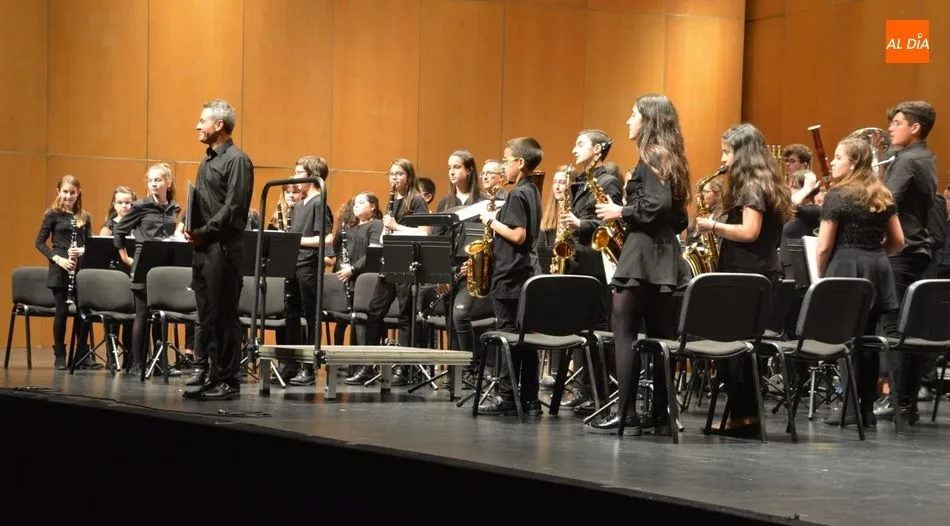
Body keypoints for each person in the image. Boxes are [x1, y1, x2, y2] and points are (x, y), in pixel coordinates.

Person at [587, 94, 692, 434]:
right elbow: (678, 219)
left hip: (640, 257)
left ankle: (626, 411)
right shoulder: (673, 158)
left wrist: (622, 211)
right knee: (661, 338)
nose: (627, 121)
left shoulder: (650, 156)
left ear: (648, 119)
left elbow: (656, 206)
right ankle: (662, 413)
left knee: (624, 335)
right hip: (665, 258)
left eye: (632, 114)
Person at [695, 123, 793, 438]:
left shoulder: (751, 185)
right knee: (743, 348)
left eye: (727, 151)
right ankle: (746, 417)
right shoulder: (767, 182)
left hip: (745, 276)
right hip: (757, 274)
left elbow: (749, 232)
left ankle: (742, 418)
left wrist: (712, 226)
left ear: (744, 153)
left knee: (731, 349)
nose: (723, 158)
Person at [814, 137, 903, 427]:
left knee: (845, 340)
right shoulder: (882, 194)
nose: (833, 162)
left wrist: (821, 274)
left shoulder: (837, 195)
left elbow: (824, 246)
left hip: (845, 267)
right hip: (877, 269)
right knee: (867, 341)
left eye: (839, 157)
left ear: (852, 162)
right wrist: (874, 255)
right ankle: (865, 411)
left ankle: (848, 410)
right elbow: (898, 241)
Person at [182, 99, 254, 401]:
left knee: (224, 316)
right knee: (208, 316)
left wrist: (204, 232)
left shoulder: (237, 160)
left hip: (222, 249)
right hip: (203, 248)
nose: (197, 126)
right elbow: (205, 203)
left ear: (219, 125)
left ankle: (229, 380)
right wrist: (190, 225)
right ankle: (214, 373)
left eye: (202, 121)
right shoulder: (207, 160)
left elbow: (234, 208)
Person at [876, 100, 938, 423]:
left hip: (900, 253)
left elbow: (885, 202)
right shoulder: (927, 157)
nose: (890, 128)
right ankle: (906, 402)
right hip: (919, 252)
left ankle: (894, 400)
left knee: (894, 327)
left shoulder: (907, 160)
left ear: (914, 128)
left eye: (897, 123)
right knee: (911, 330)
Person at [476, 137, 543, 416]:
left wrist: (490, 220)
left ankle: (506, 397)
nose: (504, 166)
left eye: (506, 160)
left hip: (509, 277)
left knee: (507, 337)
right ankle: (529, 399)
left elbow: (518, 235)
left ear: (520, 163)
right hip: (524, 275)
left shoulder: (516, 194)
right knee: (524, 341)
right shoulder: (532, 191)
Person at [351, 159, 429, 386]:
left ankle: (402, 368)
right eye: (391, 174)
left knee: (405, 315)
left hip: (407, 262)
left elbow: (424, 233)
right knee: (375, 311)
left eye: (399, 174)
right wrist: (387, 231)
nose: (394, 179)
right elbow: (389, 230)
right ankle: (369, 364)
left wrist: (396, 227)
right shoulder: (394, 201)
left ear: (409, 175)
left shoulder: (416, 200)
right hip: (390, 260)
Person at [113, 163, 184, 377]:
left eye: (158, 180)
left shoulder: (174, 208)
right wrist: (125, 256)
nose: (154, 184)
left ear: (168, 182)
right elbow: (119, 229)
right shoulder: (141, 207)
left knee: (161, 315)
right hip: (144, 263)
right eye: (151, 180)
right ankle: (136, 364)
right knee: (142, 315)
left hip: (165, 267)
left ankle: (160, 363)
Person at [35, 175, 94, 370]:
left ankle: (82, 353)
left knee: (83, 312)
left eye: (73, 192)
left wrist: (83, 250)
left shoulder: (85, 217)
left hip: (80, 267)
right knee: (61, 311)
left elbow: (91, 245)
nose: (69, 196)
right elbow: (39, 243)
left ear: (79, 193)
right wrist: (58, 259)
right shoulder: (52, 214)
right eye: (65, 192)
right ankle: (59, 354)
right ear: (58, 191)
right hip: (60, 267)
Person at [285, 156, 334, 386]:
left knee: (310, 315)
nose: (294, 178)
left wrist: (297, 241)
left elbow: (324, 238)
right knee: (291, 314)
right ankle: (291, 364)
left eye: (298, 173)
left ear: (312, 176)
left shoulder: (319, 202)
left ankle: (309, 368)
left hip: (308, 265)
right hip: (293, 263)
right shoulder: (300, 204)